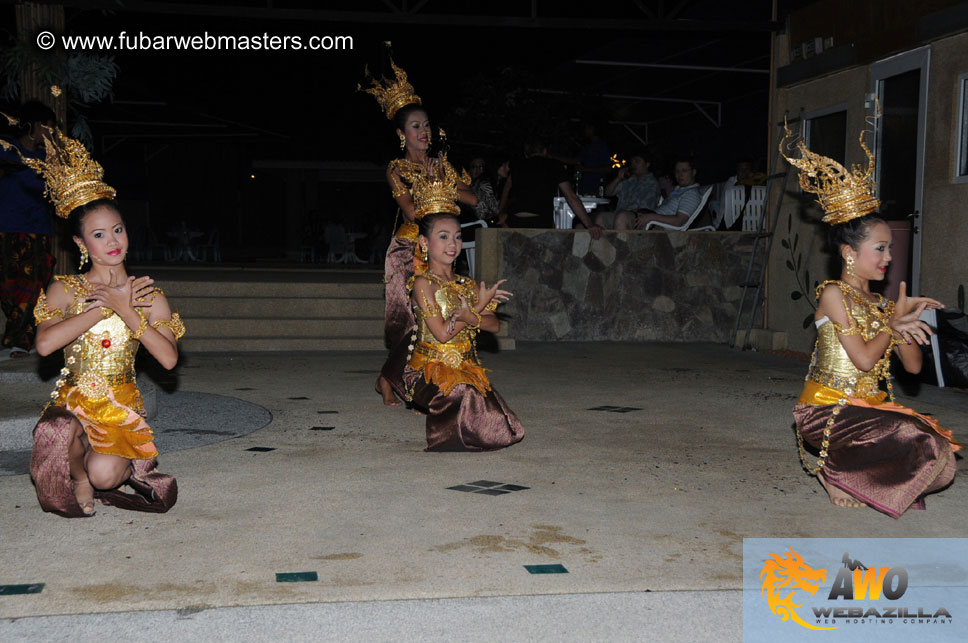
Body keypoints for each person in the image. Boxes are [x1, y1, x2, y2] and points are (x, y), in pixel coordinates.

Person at [1, 124, 184, 517]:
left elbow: (168, 360)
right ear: (82, 244)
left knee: (106, 475)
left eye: (117, 230)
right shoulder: (65, 289)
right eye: (100, 234)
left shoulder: (150, 296)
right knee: (56, 431)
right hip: (73, 405)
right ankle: (76, 475)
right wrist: (103, 306)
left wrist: (127, 309)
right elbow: (45, 345)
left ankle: (89, 471)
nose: (113, 241)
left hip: (120, 405)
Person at [781, 121, 959, 518]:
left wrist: (905, 318)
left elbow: (911, 368)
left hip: (870, 410)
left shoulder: (880, 305)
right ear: (849, 253)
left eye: (889, 249)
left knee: (941, 455)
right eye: (879, 248)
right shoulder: (832, 294)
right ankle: (835, 469)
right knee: (912, 437)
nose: (888, 258)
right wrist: (891, 326)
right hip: (826, 412)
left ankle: (858, 470)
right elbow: (862, 360)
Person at [359, 53, 476, 406]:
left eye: (426, 125)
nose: (423, 132)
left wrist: (441, 180)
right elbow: (411, 211)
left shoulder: (443, 165)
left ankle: (434, 380)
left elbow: (471, 198)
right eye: (415, 126)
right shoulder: (396, 169)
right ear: (401, 133)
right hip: (411, 250)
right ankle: (389, 379)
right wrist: (428, 185)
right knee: (412, 321)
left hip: (446, 246)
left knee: (452, 313)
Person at [402, 212, 523, 451]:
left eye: (457, 237)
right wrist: (474, 311)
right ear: (424, 242)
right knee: (463, 394)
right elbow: (442, 334)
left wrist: (475, 312)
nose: (453, 244)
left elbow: (494, 325)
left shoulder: (467, 285)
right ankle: (444, 424)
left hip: (466, 369)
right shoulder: (423, 284)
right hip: (427, 372)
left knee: (507, 427)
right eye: (444, 236)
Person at [0, 103, 56, 358]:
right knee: (7, 287)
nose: (50, 131)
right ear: (33, 126)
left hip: (37, 231)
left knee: (33, 286)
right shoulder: (6, 151)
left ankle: (19, 341)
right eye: (47, 126)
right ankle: (24, 337)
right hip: (5, 229)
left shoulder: (48, 159)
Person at [499, 138, 602, 239]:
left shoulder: (517, 164)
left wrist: (500, 213)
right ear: (545, 151)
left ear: (526, 153)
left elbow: (504, 182)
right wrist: (589, 224)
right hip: (540, 222)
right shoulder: (555, 165)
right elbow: (571, 196)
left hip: (514, 221)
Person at [615, 156, 702, 230]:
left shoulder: (692, 194)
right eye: (677, 171)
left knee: (622, 218)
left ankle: (622, 249)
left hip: (657, 228)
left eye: (684, 171)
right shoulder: (678, 190)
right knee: (603, 217)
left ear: (693, 172)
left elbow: (679, 221)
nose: (680, 174)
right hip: (650, 219)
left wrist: (651, 216)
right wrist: (646, 212)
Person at [594, 151, 659, 230]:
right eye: (632, 162)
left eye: (637, 162)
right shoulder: (629, 180)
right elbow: (607, 193)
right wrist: (618, 178)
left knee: (621, 217)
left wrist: (626, 212)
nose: (633, 165)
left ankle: (620, 242)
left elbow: (645, 209)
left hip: (640, 219)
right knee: (601, 217)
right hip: (620, 214)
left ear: (647, 164)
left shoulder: (652, 183)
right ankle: (604, 242)